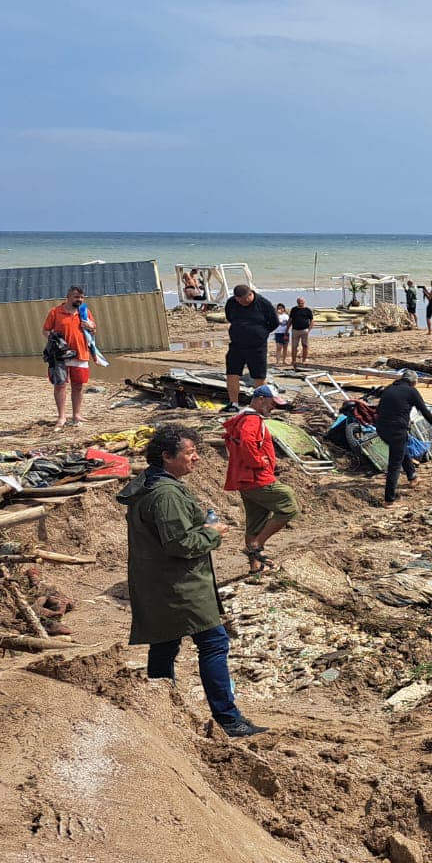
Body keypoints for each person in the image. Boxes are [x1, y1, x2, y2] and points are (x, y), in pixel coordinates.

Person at [119, 423, 266, 738]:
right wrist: (211, 534)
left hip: (157, 583)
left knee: (164, 645)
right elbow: (181, 544)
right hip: (180, 585)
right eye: (190, 453)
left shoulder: (149, 484)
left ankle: (161, 711)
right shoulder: (167, 493)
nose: (196, 458)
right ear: (167, 456)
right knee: (213, 642)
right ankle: (230, 720)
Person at [221, 385, 298, 574]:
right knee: (288, 504)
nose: (273, 407)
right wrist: (258, 461)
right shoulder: (252, 420)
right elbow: (247, 442)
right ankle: (257, 545)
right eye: (272, 403)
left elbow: (235, 442)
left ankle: (255, 566)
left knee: (255, 521)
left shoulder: (242, 418)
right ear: (261, 399)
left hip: (245, 478)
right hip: (257, 477)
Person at [377, 370, 432, 507]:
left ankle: (413, 477)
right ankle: (389, 500)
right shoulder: (411, 391)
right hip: (397, 431)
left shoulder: (389, 389)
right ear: (413, 382)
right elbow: (424, 411)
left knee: (401, 450)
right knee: (394, 464)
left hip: (382, 429)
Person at [42, 286, 96, 429]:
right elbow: (46, 330)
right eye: (76, 297)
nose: (79, 300)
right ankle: (61, 417)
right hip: (60, 356)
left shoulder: (85, 312)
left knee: (78, 386)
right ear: (68, 297)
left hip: (81, 353)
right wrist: (54, 341)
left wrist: (89, 326)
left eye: (81, 297)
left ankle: (76, 415)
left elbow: (93, 329)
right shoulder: (55, 312)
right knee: (60, 385)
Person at [222, 284, 277, 412]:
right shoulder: (232, 303)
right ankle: (233, 403)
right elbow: (229, 317)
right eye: (238, 300)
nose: (240, 302)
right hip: (237, 344)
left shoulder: (263, 304)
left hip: (257, 346)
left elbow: (274, 322)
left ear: (250, 294)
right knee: (232, 373)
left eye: (243, 300)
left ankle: (260, 405)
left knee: (259, 376)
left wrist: (261, 333)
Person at [287, 297, 314, 368]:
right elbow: (290, 320)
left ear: (304, 302)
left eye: (301, 302)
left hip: (304, 330)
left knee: (305, 345)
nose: (300, 303)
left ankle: (304, 360)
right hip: (295, 330)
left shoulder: (307, 310)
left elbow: (312, 320)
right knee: (294, 346)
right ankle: (293, 360)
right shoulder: (294, 309)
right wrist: (287, 329)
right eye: (299, 302)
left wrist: (309, 329)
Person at [272, 303, 290, 367]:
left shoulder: (286, 316)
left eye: (281, 308)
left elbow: (288, 324)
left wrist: (287, 331)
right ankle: (277, 361)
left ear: (284, 309)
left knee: (285, 347)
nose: (280, 309)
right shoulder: (276, 316)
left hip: (285, 333)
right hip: (278, 333)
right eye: (279, 308)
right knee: (278, 347)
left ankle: (284, 361)